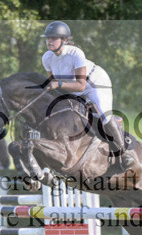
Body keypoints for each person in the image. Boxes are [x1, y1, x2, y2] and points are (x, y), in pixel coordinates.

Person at [40, 21, 133, 170]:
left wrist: (59, 85)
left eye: (53, 38)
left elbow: (80, 86)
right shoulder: (46, 58)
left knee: (103, 113)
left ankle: (124, 152)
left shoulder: (76, 53)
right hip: (72, 86)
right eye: (48, 38)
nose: (49, 41)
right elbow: (54, 82)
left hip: (94, 83)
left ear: (64, 40)